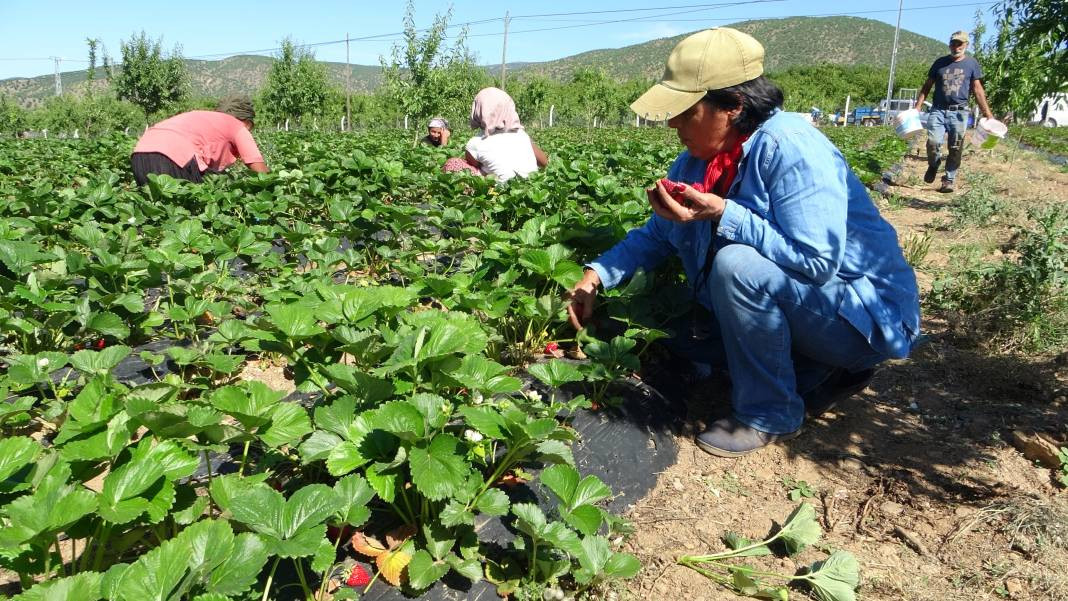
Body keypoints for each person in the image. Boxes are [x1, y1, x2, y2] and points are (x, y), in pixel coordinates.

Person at [566, 28, 921, 458]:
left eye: (686, 111)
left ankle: (771, 412)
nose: (674, 123)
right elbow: (660, 232)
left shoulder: (791, 147)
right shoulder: (700, 158)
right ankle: (818, 371)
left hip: (861, 318)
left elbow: (817, 262)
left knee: (737, 266)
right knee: (676, 337)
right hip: (809, 308)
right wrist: (594, 277)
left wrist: (725, 214)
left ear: (733, 106)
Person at [914, 30, 993, 193]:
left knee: (956, 147)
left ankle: (948, 179)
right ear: (949, 44)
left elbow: (978, 90)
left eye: (960, 44)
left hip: (959, 112)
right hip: (938, 110)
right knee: (933, 142)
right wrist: (917, 107)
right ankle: (934, 164)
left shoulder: (971, 64)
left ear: (966, 45)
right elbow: (927, 86)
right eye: (953, 43)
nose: (956, 47)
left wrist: (988, 114)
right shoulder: (940, 63)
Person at [130, 95, 269, 186]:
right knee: (187, 214)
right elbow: (261, 173)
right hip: (174, 157)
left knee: (156, 213)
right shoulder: (237, 125)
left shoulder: (203, 118)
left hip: (139, 154)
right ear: (246, 121)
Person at [443, 87, 548, 181]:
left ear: (478, 111)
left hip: (500, 192)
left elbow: (474, 166)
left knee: (454, 163)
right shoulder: (521, 134)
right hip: (531, 185)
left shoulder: (475, 143)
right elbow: (544, 162)